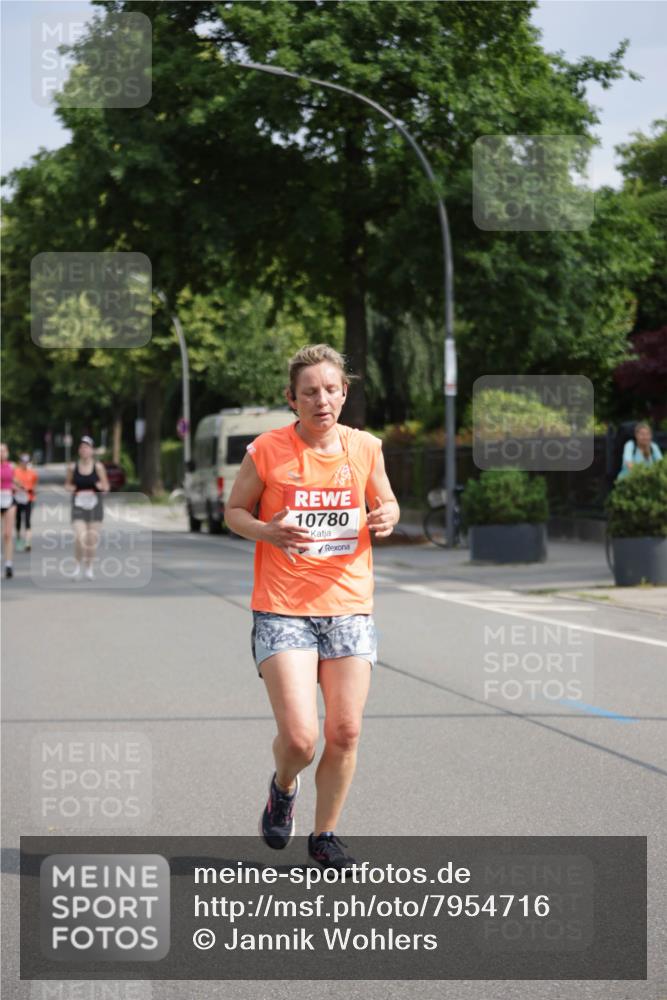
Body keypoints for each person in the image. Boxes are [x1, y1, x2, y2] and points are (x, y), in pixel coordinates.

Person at [226, 344, 400, 872]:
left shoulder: (365, 447)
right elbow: (234, 510)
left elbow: (386, 499)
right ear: (292, 400)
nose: (321, 400)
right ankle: (284, 786)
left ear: (344, 393)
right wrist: (267, 530)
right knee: (301, 740)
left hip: (348, 606)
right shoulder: (266, 451)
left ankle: (326, 837)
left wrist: (387, 515)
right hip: (282, 608)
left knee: (345, 732)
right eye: (309, 392)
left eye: (330, 389)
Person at [64, 436, 110, 580]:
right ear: (79, 450)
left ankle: (89, 568)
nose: (84, 450)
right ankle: (77, 567)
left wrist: (100, 487)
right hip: (78, 506)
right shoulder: (73, 467)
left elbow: (106, 487)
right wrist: (71, 488)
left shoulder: (98, 467)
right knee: (79, 537)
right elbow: (67, 484)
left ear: (92, 450)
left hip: (95, 507)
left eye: (87, 447)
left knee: (91, 540)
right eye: (82, 447)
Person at [14, 453, 39, 552]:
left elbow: (35, 486)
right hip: (17, 499)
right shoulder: (16, 471)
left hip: (29, 499)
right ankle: (19, 538)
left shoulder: (33, 473)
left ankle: (28, 542)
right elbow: (13, 483)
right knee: (18, 521)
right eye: (23, 461)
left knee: (27, 521)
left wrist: (31, 490)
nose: (25, 463)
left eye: (26, 462)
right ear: (20, 462)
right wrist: (18, 487)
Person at [1, 443, 17, 578]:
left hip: (9, 499)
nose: (1, 454)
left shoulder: (12, 466)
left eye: (3, 451)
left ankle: (8, 564)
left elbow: (15, 481)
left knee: (7, 534)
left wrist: (19, 487)